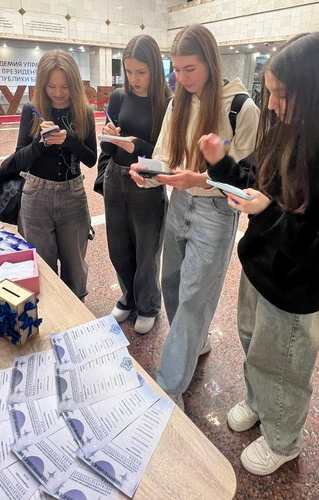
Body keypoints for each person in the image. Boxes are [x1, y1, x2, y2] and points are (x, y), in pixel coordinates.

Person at [199, 32, 319, 475]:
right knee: (254, 344)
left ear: (314, 90)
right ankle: (260, 402)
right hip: (259, 265)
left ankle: (283, 440)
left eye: (281, 94)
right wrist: (222, 166)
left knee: (284, 364)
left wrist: (266, 215)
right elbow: (257, 182)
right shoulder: (290, 126)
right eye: (269, 93)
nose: (273, 105)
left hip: (297, 284)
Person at [130, 24, 260, 407]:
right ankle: (195, 341)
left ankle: (169, 390)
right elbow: (165, 155)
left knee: (192, 298)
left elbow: (245, 180)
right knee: (171, 283)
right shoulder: (178, 103)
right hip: (180, 203)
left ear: (211, 62)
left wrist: (201, 178)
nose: (182, 78)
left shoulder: (241, 108)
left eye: (190, 69)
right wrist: (149, 174)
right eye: (177, 69)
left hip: (216, 211)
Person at [100, 35, 171, 334]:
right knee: (118, 246)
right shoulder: (119, 97)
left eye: (141, 72)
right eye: (128, 71)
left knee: (147, 250)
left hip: (147, 182)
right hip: (116, 177)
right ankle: (128, 297)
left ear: (155, 68)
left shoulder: (167, 103)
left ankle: (148, 305)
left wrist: (137, 146)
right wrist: (109, 135)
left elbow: (168, 154)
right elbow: (107, 147)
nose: (134, 79)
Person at [15, 50, 97, 300]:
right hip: (36, 195)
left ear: (75, 85)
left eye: (65, 86)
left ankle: (75, 312)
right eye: (51, 86)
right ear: (42, 84)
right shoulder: (32, 110)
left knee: (75, 267)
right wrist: (41, 143)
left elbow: (91, 159)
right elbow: (19, 159)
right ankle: (51, 313)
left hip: (73, 194)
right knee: (42, 266)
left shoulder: (84, 112)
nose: (58, 93)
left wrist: (69, 139)